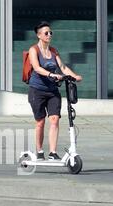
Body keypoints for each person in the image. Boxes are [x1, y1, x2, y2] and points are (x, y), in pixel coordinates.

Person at [28, 21, 83, 161]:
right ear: (39, 35)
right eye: (46, 33)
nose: (49, 35)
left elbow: (63, 67)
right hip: (37, 91)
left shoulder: (53, 51)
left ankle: (52, 152)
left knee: (54, 120)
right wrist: (51, 74)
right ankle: (40, 151)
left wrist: (74, 76)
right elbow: (36, 68)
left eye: (51, 32)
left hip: (52, 91)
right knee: (40, 122)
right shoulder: (34, 50)